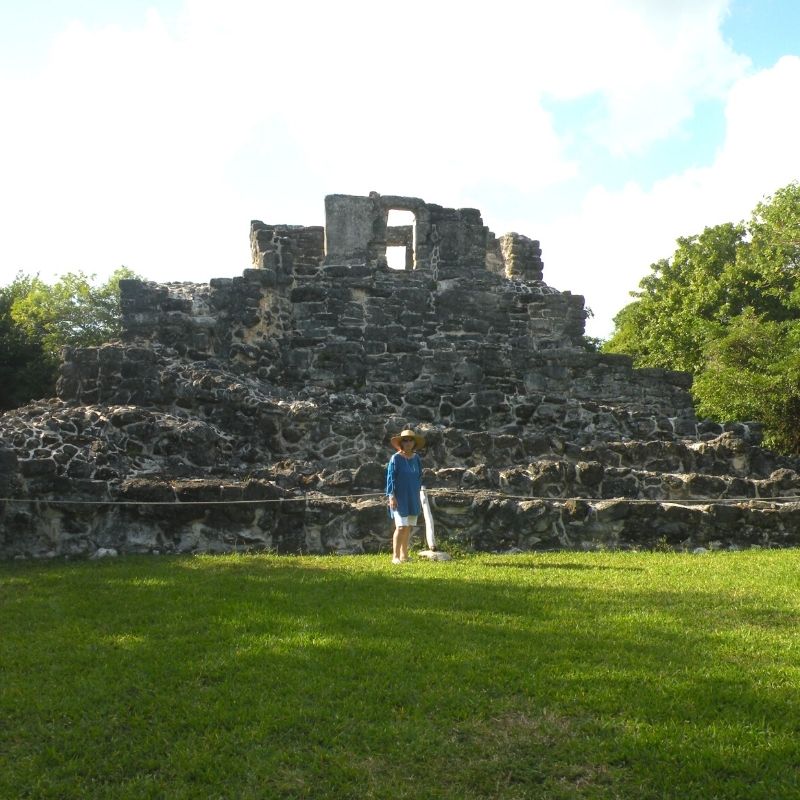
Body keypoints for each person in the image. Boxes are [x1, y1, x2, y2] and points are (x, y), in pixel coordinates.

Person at [385, 428, 425, 564]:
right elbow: (390, 478)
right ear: (401, 443)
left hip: (412, 497)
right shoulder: (395, 458)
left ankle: (404, 555)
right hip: (399, 498)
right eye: (405, 440)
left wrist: (417, 492)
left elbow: (419, 476)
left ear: (414, 443)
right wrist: (391, 496)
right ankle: (395, 557)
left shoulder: (416, 458)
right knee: (400, 527)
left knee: (408, 526)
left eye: (410, 440)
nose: (408, 443)